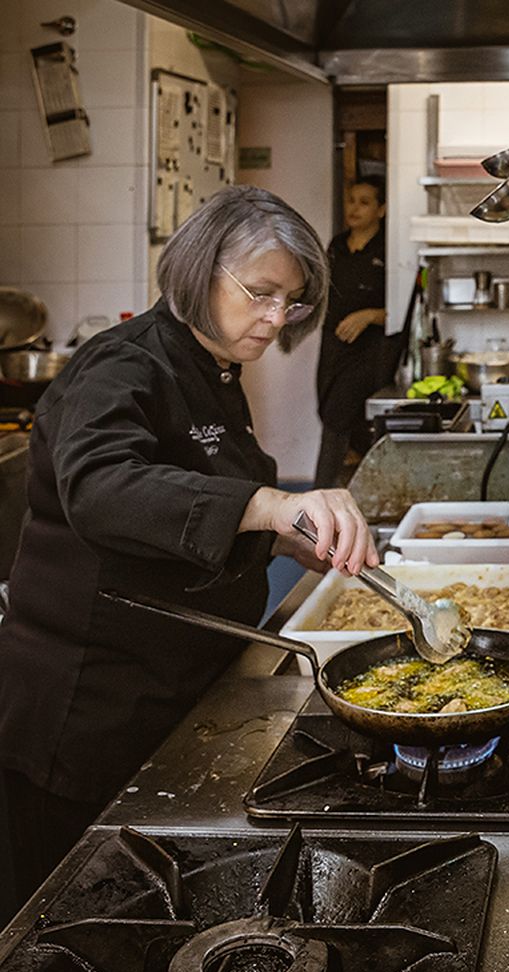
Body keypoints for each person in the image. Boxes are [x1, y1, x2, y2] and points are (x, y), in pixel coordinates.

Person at [0, 186, 378, 919]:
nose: (276, 319)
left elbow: (212, 503)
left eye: (292, 302)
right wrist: (269, 505)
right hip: (87, 715)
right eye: (262, 294)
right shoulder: (117, 367)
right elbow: (105, 487)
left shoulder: (214, 370)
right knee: (71, 937)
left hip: (175, 688)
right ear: (201, 270)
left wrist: (293, 540)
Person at [315, 178, 389, 488]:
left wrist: (370, 316)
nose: (354, 208)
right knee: (328, 410)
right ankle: (356, 488)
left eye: (364, 202)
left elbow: (405, 308)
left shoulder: (387, 249)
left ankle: (320, 494)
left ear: (381, 209)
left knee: (338, 416)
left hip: (369, 350)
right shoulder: (336, 246)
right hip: (333, 345)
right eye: (351, 200)